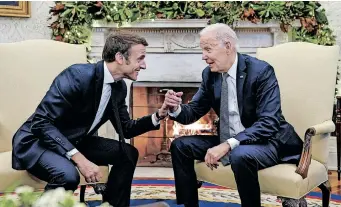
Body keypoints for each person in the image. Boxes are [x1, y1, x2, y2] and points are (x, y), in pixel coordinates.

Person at [12, 32, 168, 207]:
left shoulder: (119, 88)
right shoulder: (77, 75)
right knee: (68, 175)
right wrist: (81, 160)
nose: (144, 65)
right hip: (37, 141)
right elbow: (41, 122)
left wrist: (159, 114)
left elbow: (126, 129)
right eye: (140, 59)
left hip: (74, 139)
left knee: (127, 154)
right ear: (120, 58)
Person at [163, 23, 303, 207]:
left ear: (227, 46)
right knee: (180, 146)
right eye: (202, 50)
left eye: (208, 49)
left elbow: (269, 122)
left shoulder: (260, 71)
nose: (203, 56)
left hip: (267, 141)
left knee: (240, 154)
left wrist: (228, 145)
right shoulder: (210, 75)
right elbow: (194, 111)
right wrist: (175, 108)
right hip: (228, 139)